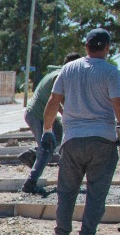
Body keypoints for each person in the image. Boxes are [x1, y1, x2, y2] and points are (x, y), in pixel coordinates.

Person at [42, 29, 120, 235]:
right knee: (96, 194)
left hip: (72, 139)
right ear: (107, 48)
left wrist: (47, 129)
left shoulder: (68, 69)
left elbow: (54, 100)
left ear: (86, 46)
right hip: (102, 140)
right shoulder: (111, 72)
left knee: (66, 192)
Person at [21, 54, 82, 195]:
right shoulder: (59, 77)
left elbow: (57, 101)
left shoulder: (59, 74)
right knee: (47, 149)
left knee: (58, 135)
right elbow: (55, 100)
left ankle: (32, 154)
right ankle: (30, 183)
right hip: (37, 115)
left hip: (45, 115)